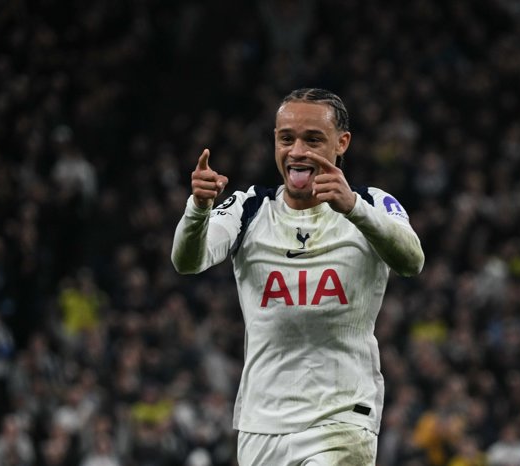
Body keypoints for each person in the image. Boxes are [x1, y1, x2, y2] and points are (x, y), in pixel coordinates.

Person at [171, 87, 425, 465]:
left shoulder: (372, 203)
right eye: (286, 138)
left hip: (341, 416)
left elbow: (412, 260)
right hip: (261, 422)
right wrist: (198, 208)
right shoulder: (249, 208)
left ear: (342, 143)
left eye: (313, 139)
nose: (297, 152)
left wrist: (353, 208)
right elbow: (187, 261)